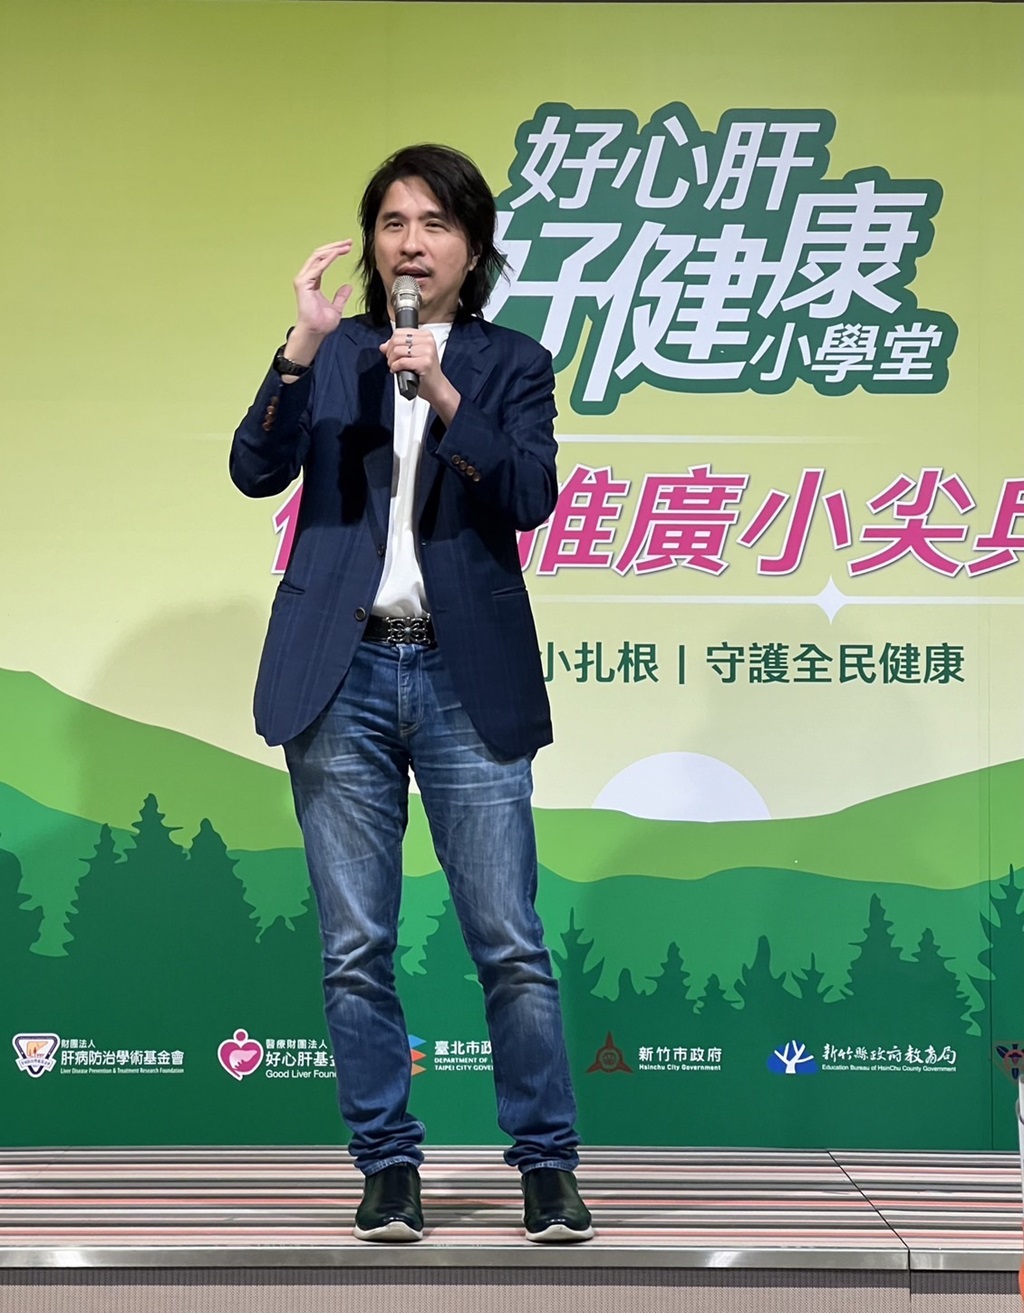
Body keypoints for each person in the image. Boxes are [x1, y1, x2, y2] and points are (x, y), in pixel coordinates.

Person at [230, 144, 592, 1244]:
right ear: (372, 245)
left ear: (473, 249)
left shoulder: (511, 362)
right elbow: (254, 468)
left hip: (460, 672)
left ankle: (546, 1166)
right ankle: (387, 1165)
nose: (411, 242)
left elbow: (528, 494)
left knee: (508, 939)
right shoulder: (334, 353)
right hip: (339, 675)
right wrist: (300, 348)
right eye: (392, 222)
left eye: (435, 223)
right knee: (355, 945)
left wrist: (441, 392)